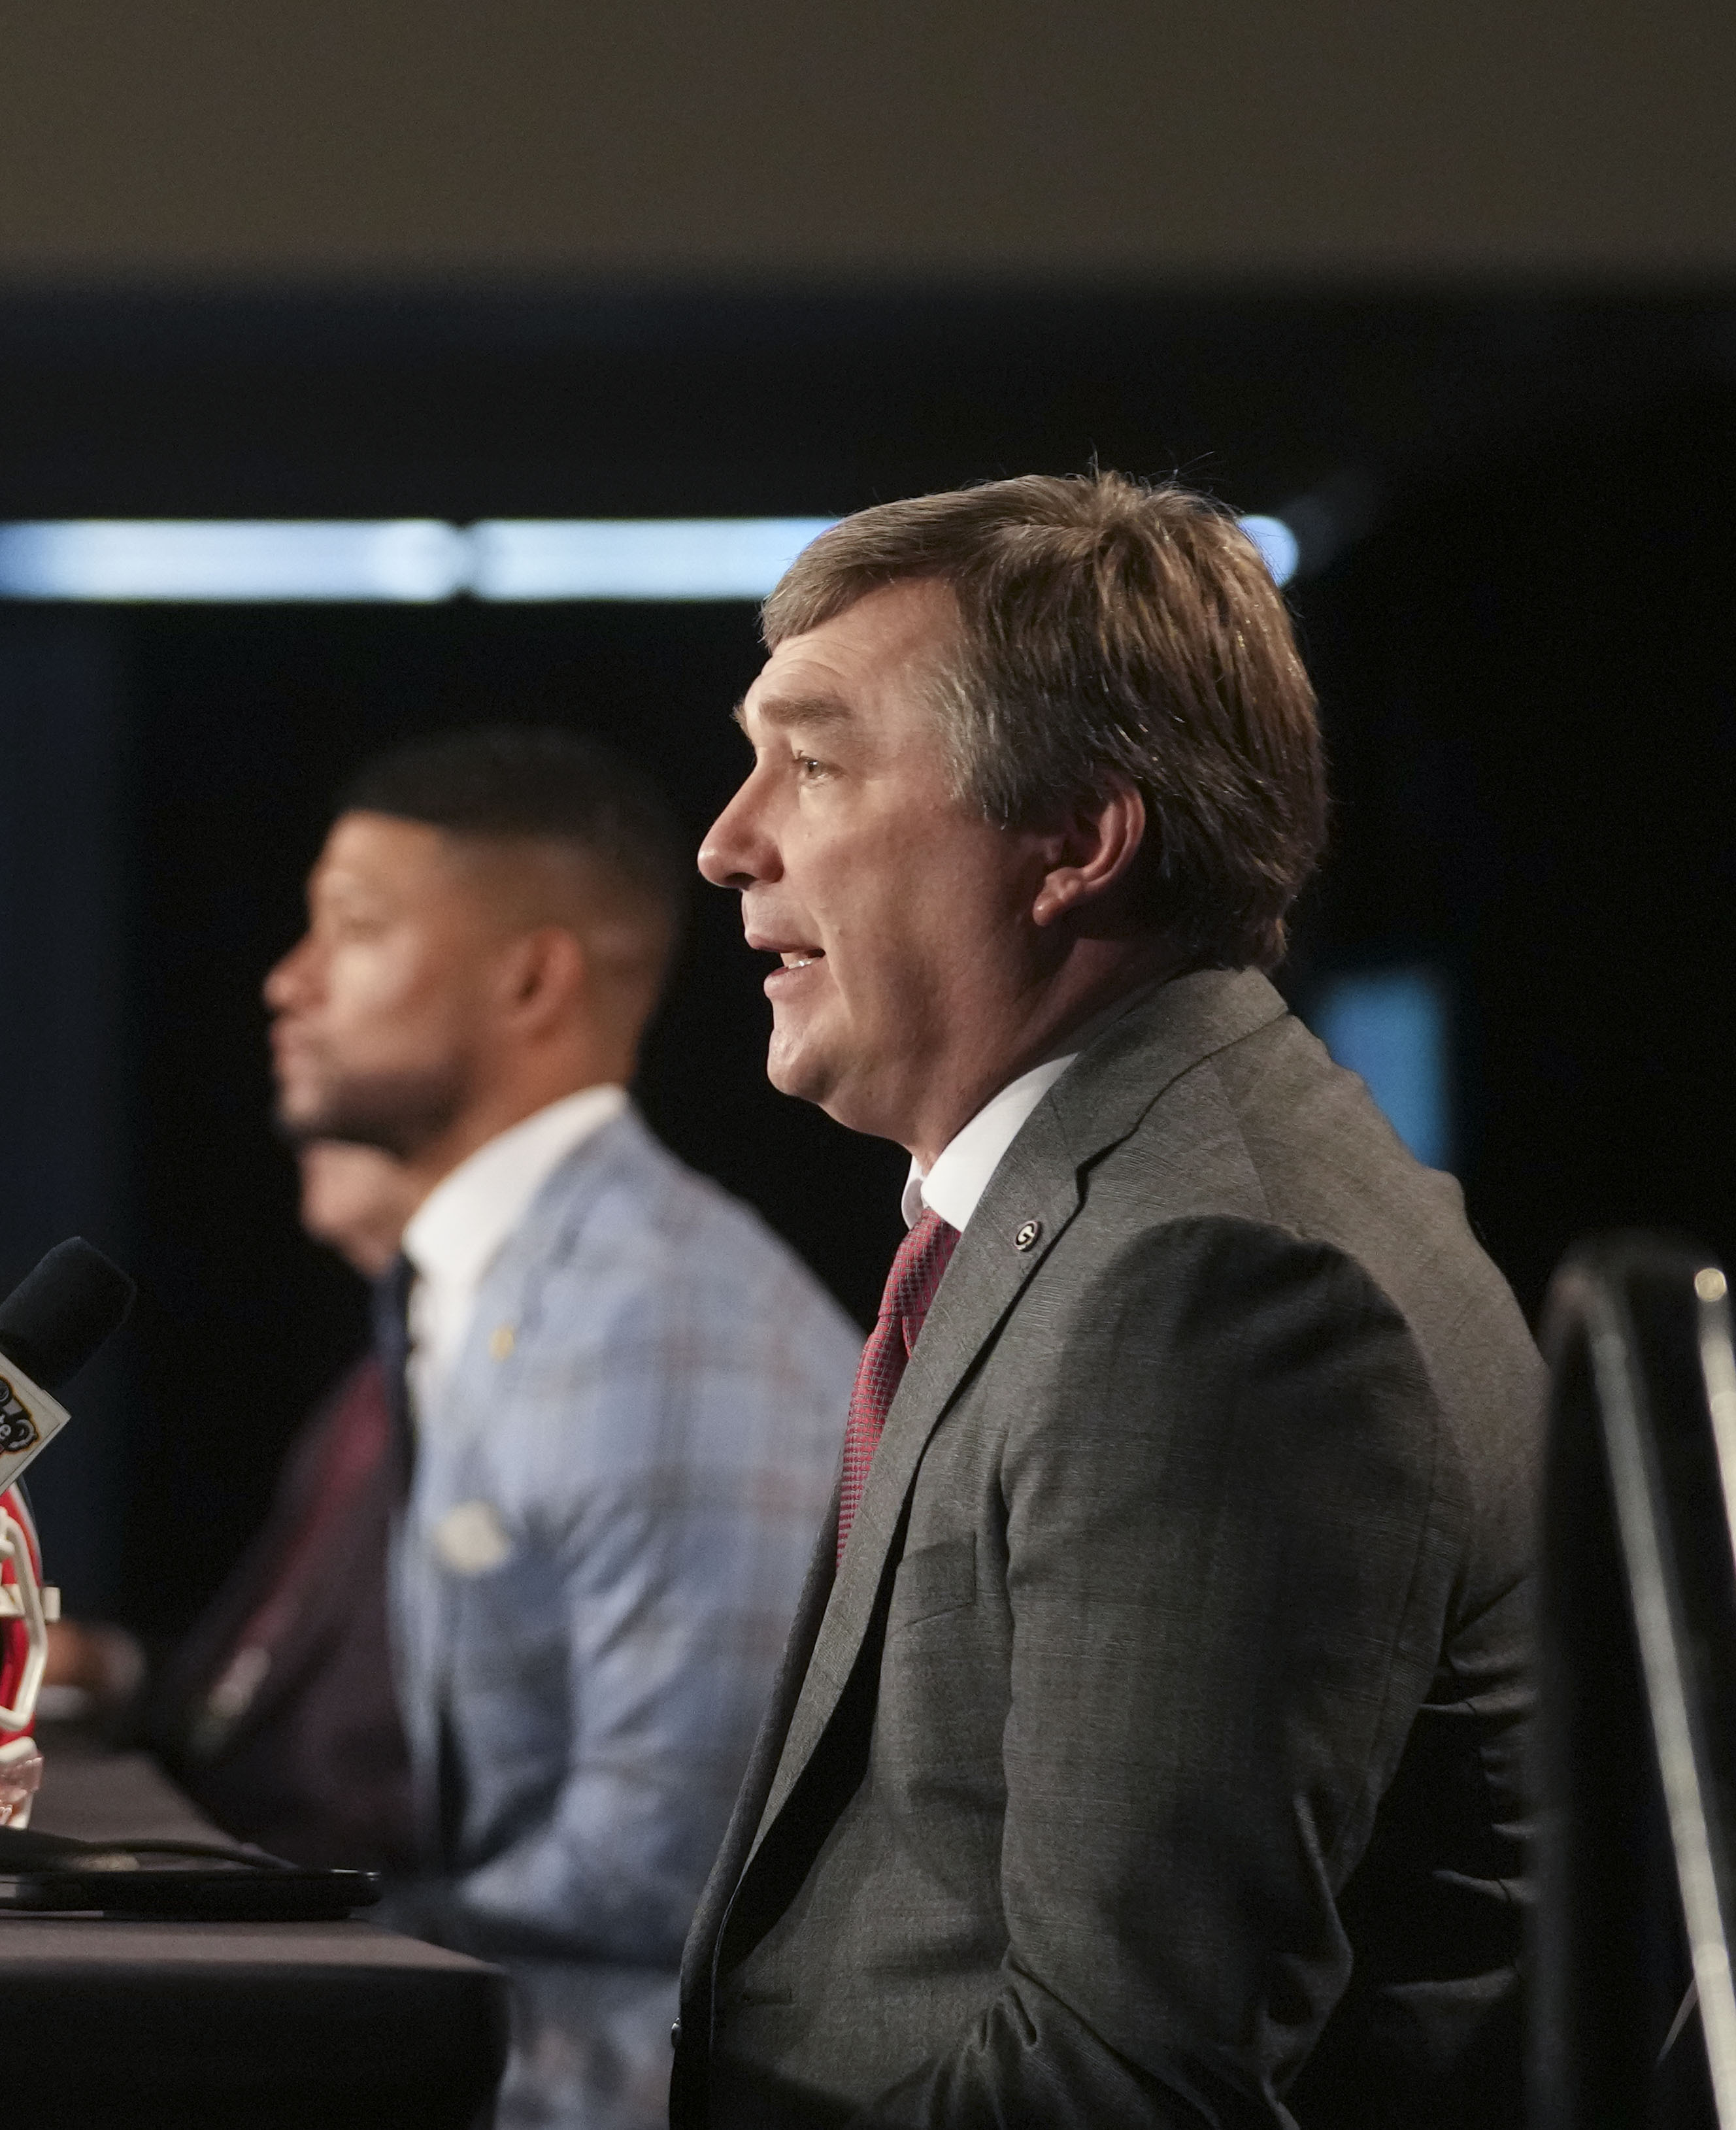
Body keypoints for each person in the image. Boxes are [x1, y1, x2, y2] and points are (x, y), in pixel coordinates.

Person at [675, 473, 1537, 2127]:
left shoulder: (1213, 1284)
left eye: (817, 762)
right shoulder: (1098, 1198)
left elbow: (1117, 2082)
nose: (728, 838)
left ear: (1074, 837)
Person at [264, 727, 857, 2130]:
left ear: (530, 978)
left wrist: (266, 1963)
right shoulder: (498, 1285)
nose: (287, 982)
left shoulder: (651, 1318)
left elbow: (664, 1864)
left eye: (349, 931)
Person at [139, 1139, 423, 1874]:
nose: (305, 1135)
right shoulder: (364, 1391)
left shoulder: (506, 1377)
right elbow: (262, 1668)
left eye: (354, 1121)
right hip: (220, 1826)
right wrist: (111, 1668)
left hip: (347, 1888)